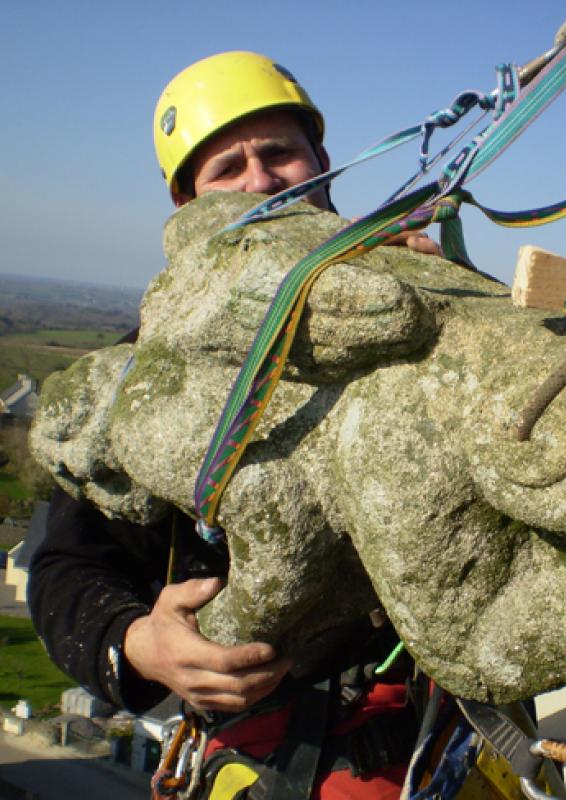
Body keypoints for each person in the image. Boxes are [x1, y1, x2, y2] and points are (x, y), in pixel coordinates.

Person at [28, 51, 440, 798]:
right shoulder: (149, 375)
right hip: (282, 749)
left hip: (449, 736)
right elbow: (65, 570)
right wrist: (139, 642)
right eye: (228, 168)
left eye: (279, 152)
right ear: (188, 210)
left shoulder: (407, 298)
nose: (260, 180)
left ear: (323, 166)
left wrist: (444, 309)